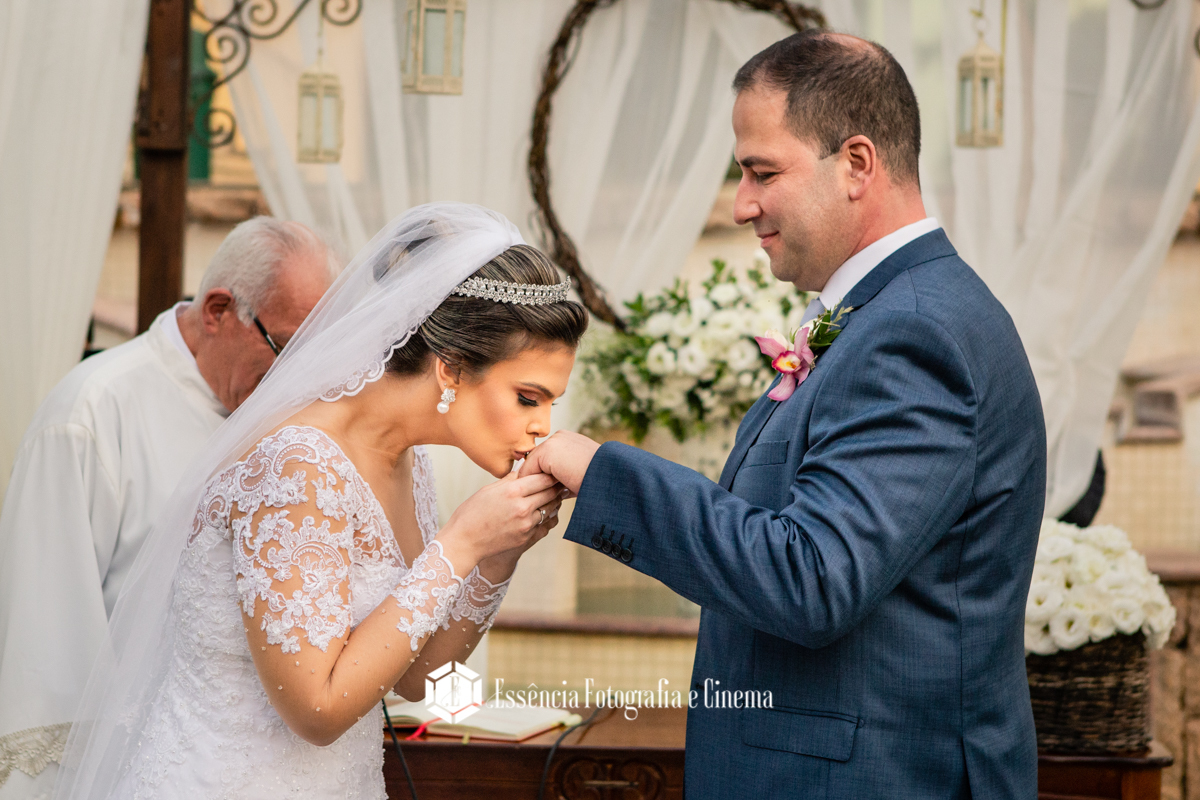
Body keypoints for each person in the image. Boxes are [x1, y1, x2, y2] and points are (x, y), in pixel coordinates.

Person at [521, 32, 1046, 799]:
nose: (741, 205)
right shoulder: (882, 315)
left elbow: (811, 578)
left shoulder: (916, 331)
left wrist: (599, 470)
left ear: (857, 164)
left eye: (762, 172)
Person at [52, 203, 587, 799]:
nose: (543, 427)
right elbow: (316, 711)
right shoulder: (297, 465)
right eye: (528, 397)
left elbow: (420, 680)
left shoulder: (412, 465)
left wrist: (496, 556)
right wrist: (460, 545)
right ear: (452, 369)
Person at [0, 217, 335, 799]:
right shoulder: (90, 416)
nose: (295, 376)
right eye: (284, 347)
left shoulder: (290, 418)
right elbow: (47, 649)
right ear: (218, 310)